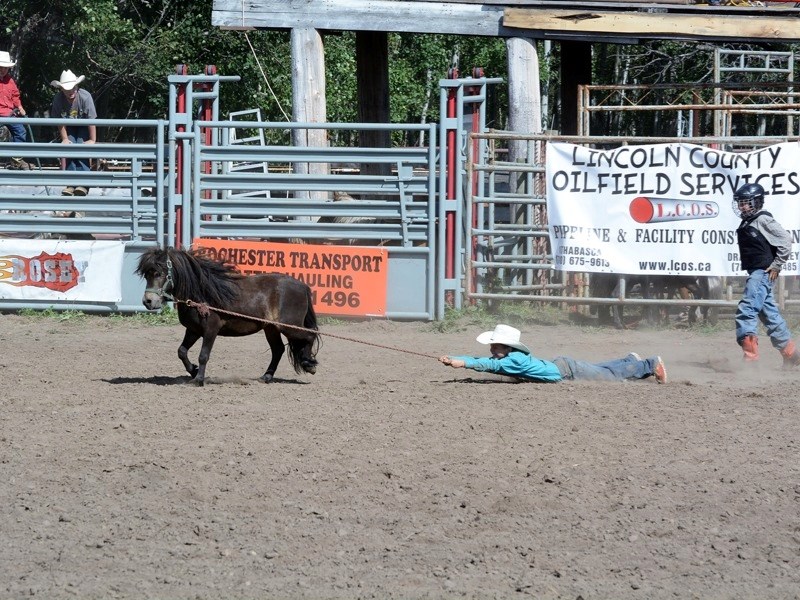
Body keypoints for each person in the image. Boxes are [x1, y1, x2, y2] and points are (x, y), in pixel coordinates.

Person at [438, 323, 667, 383]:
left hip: (567, 372)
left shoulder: (511, 362)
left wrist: (461, 362)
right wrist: (456, 359)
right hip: (564, 367)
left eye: (496, 346)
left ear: (507, 348)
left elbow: (488, 365)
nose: (492, 349)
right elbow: (487, 361)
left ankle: (649, 364)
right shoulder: (513, 357)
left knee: (609, 377)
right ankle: (630, 361)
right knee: (600, 370)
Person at [732, 182, 800, 366]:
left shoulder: (762, 220)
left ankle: (750, 359)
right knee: (768, 314)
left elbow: (785, 240)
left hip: (761, 273)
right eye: (740, 202)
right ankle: (791, 353)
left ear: (757, 202)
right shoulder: (749, 220)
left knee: (747, 309)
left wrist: (777, 265)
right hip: (759, 273)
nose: (741, 206)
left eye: (746, 202)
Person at [50, 69, 96, 196]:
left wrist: (92, 140)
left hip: (84, 125)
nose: (70, 91)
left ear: (77, 86)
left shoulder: (85, 97)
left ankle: (83, 184)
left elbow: (91, 120)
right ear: (61, 89)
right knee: (69, 145)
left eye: (72, 88)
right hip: (68, 126)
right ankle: (71, 183)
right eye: (66, 89)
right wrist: (64, 138)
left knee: (81, 145)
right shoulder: (58, 99)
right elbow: (59, 122)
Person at [0, 50, 30, 170]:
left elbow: (15, 96)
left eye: (5, 67)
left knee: (21, 131)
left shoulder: (10, 81)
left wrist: (20, 107)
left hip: (9, 114)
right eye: (1, 67)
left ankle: (16, 160)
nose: (3, 70)